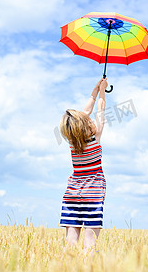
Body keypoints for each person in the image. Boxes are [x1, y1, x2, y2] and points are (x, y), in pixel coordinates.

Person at [59, 77, 108, 255]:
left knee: (70, 245)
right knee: (90, 245)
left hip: (72, 192)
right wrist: (102, 91)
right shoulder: (95, 138)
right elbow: (100, 110)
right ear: (86, 125)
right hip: (93, 192)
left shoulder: (72, 141)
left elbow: (85, 112)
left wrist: (95, 90)